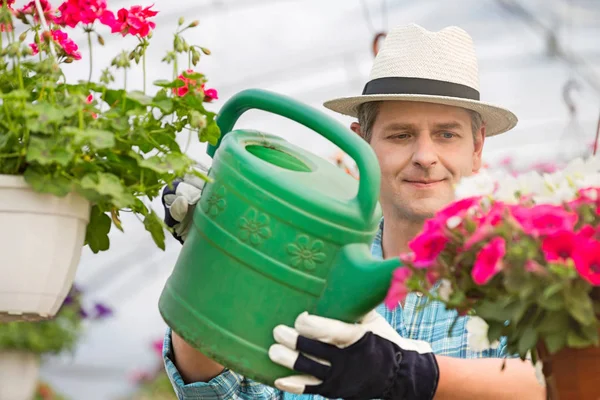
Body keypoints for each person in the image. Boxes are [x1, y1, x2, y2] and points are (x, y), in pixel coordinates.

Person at [160, 24, 546, 399]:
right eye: (401, 135)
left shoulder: (526, 273)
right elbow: (225, 392)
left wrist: (409, 374)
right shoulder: (310, 262)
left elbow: (558, 385)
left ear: (477, 148)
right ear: (361, 146)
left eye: (447, 134)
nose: (425, 157)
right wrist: (210, 255)